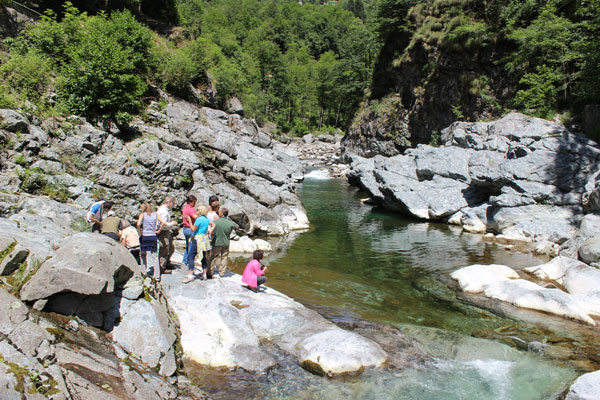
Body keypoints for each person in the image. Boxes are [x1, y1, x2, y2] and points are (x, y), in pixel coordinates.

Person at [183, 205, 215, 283]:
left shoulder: (198, 219)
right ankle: (204, 275)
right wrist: (210, 231)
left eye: (197, 210)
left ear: (200, 211)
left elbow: (193, 229)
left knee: (191, 256)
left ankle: (190, 275)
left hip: (197, 239)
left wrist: (189, 221)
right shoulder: (206, 219)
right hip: (204, 240)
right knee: (203, 257)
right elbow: (213, 224)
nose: (196, 211)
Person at [137, 202, 167, 281]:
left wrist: (140, 233)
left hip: (145, 236)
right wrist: (159, 230)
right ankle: (157, 276)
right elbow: (163, 222)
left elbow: (138, 224)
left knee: (143, 254)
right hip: (153, 236)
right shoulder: (156, 214)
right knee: (155, 256)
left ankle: (144, 272)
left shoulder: (142, 215)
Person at [209, 207, 235, 278]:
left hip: (216, 242)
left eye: (219, 212)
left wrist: (211, 239)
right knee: (224, 257)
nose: (218, 213)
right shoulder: (230, 224)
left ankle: (210, 271)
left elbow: (212, 232)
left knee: (213, 257)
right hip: (226, 243)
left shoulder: (215, 222)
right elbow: (229, 234)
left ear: (221, 214)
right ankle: (222, 272)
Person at [157, 196, 178, 272]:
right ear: (169, 202)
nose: (173, 205)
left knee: (171, 248)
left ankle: (167, 262)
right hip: (163, 232)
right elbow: (163, 224)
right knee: (164, 249)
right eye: (173, 203)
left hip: (166, 232)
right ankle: (161, 267)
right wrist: (172, 223)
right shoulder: (163, 211)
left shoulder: (164, 210)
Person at [181, 195, 197, 266]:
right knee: (192, 247)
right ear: (191, 202)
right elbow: (195, 217)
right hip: (190, 229)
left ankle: (185, 261)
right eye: (194, 202)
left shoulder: (185, 208)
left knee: (188, 246)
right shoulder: (191, 209)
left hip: (185, 229)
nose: (195, 204)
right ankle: (190, 262)